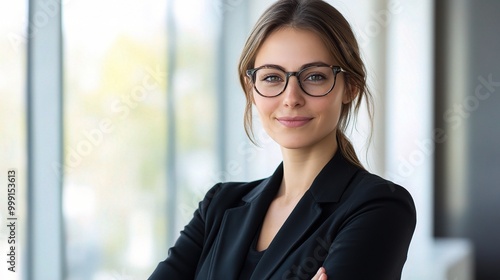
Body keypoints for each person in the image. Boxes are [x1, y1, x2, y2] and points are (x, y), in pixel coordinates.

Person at [149, 0, 416, 279]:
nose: (291, 98)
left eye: (314, 76)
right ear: (251, 88)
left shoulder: (380, 208)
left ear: (350, 87)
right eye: (272, 77)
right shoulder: (218, 205)